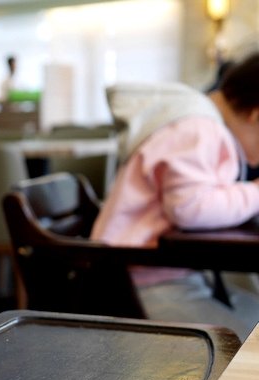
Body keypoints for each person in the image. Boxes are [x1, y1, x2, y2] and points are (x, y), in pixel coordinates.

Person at [91, 52, 259, 342]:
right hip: (144, 284)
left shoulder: (199, 123)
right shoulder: (200, 129)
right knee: (248, 350)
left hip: (160, 274)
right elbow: (190, 207)